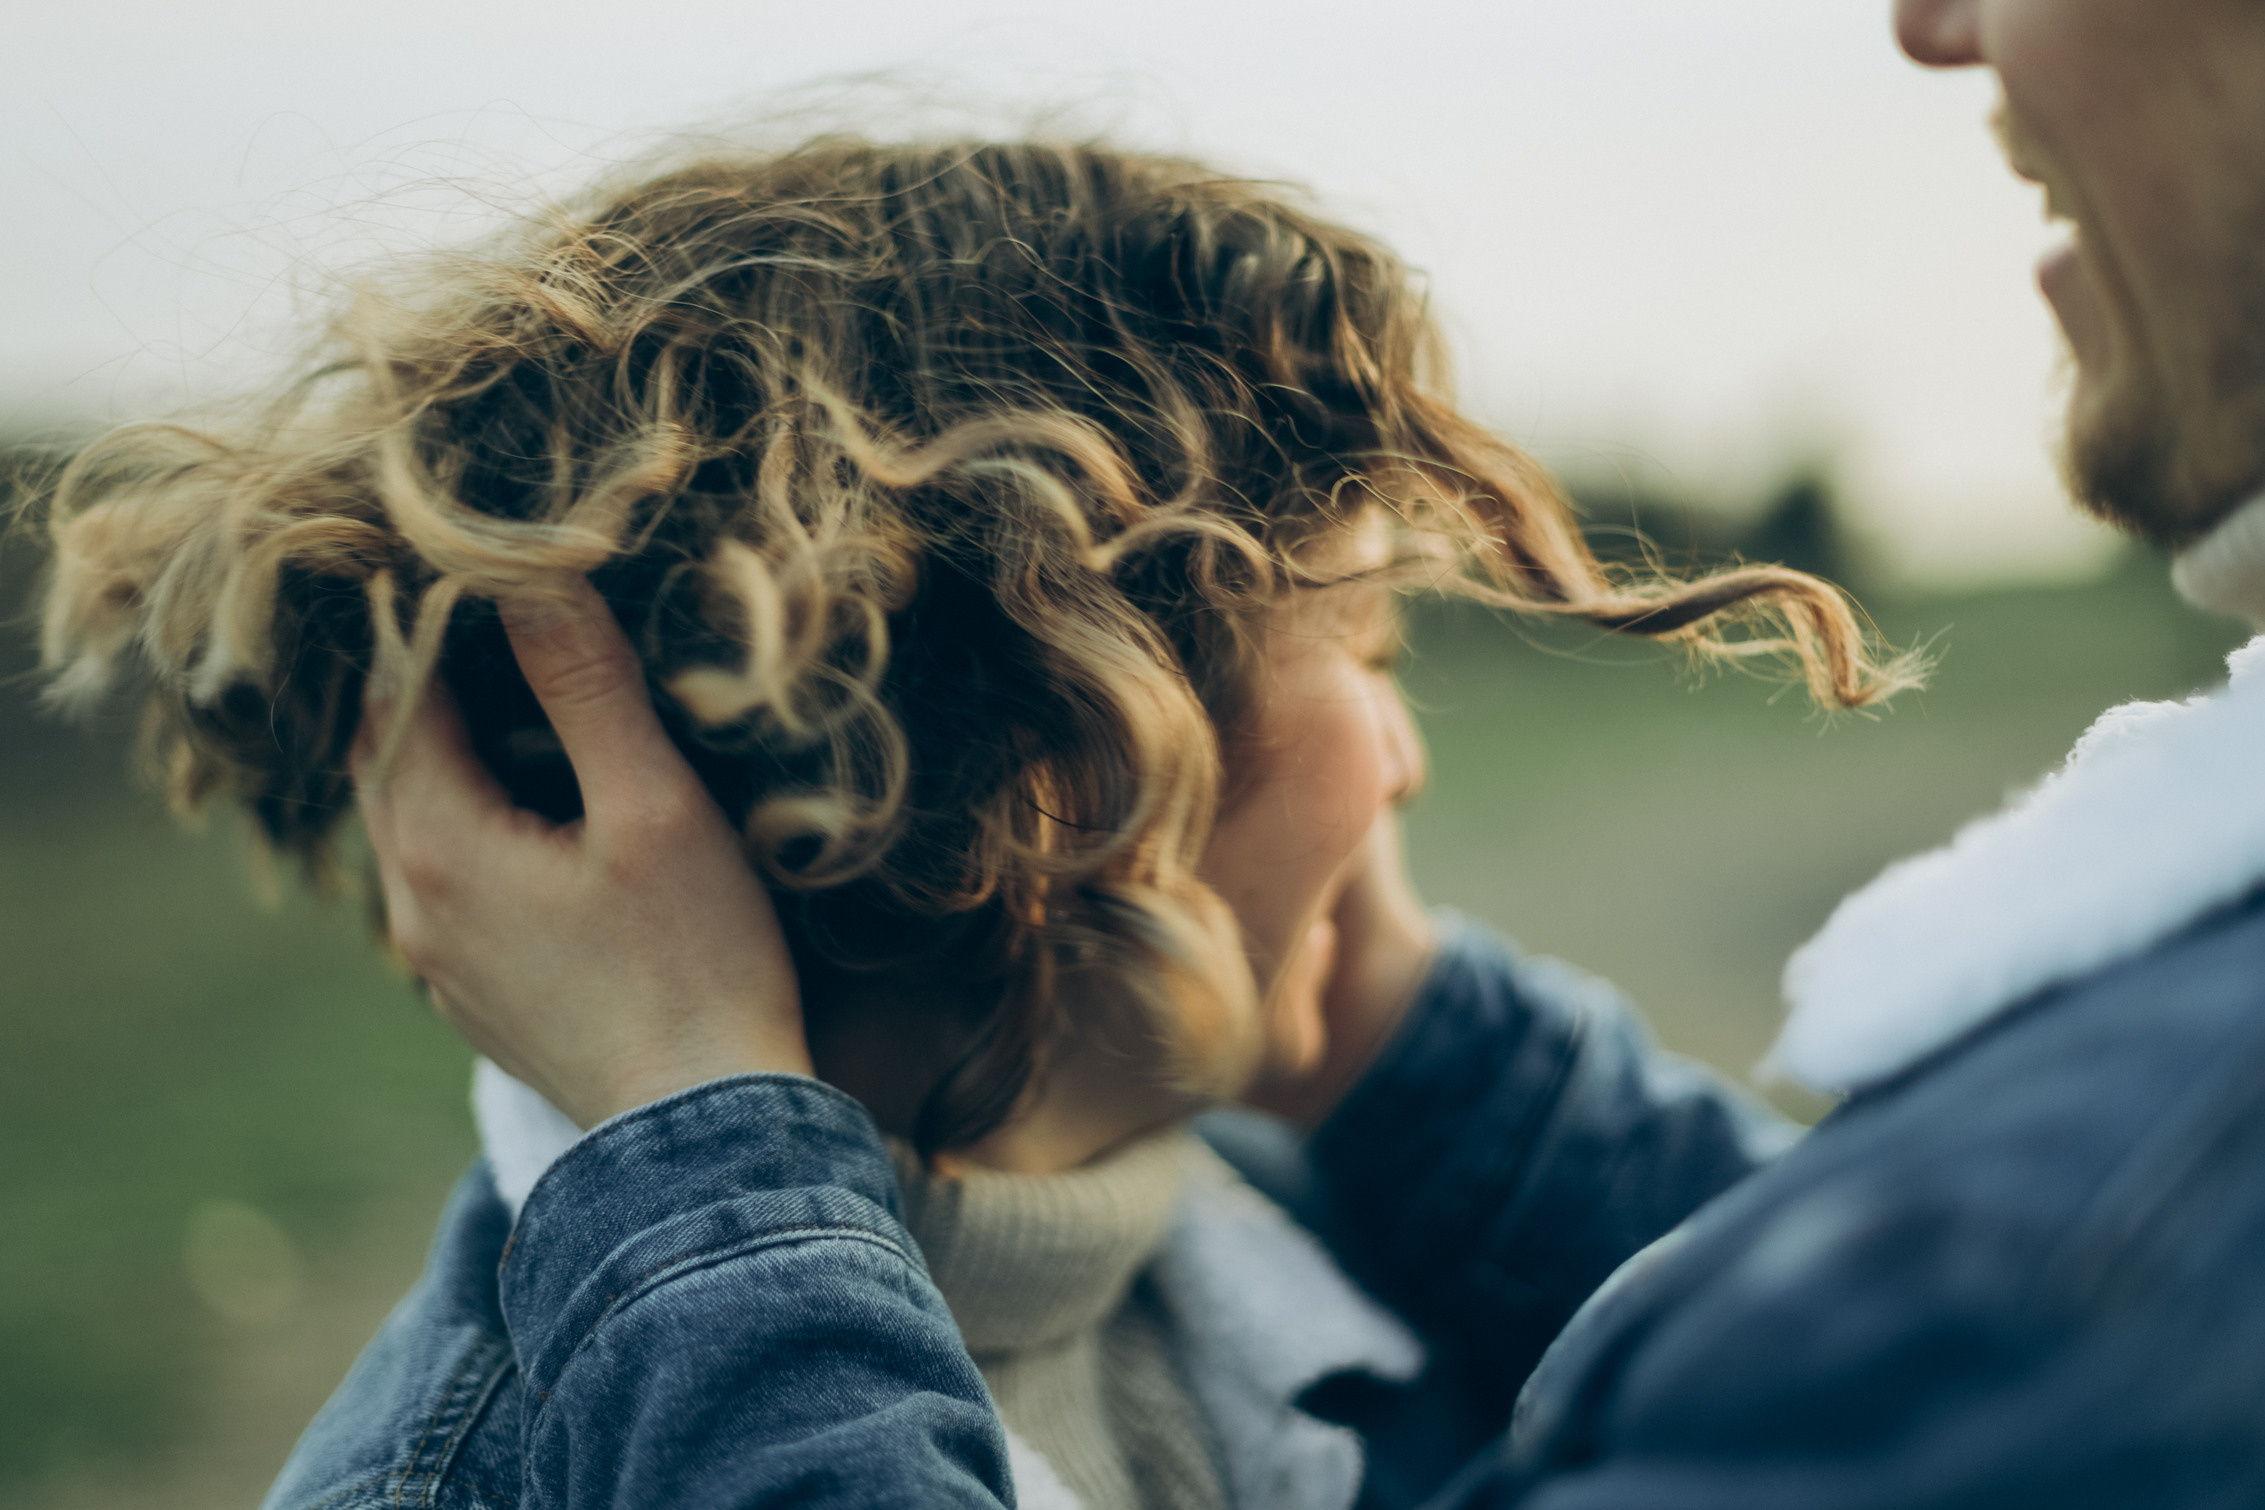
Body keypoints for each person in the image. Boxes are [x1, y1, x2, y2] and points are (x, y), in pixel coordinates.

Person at [36, 138, 1904, 1510]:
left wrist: (1403, 1044)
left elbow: (1943, 1380)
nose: (1402, 763)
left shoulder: (1319, 1239)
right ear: (1074, 761)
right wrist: (711, 1151)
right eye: (1371, 645)